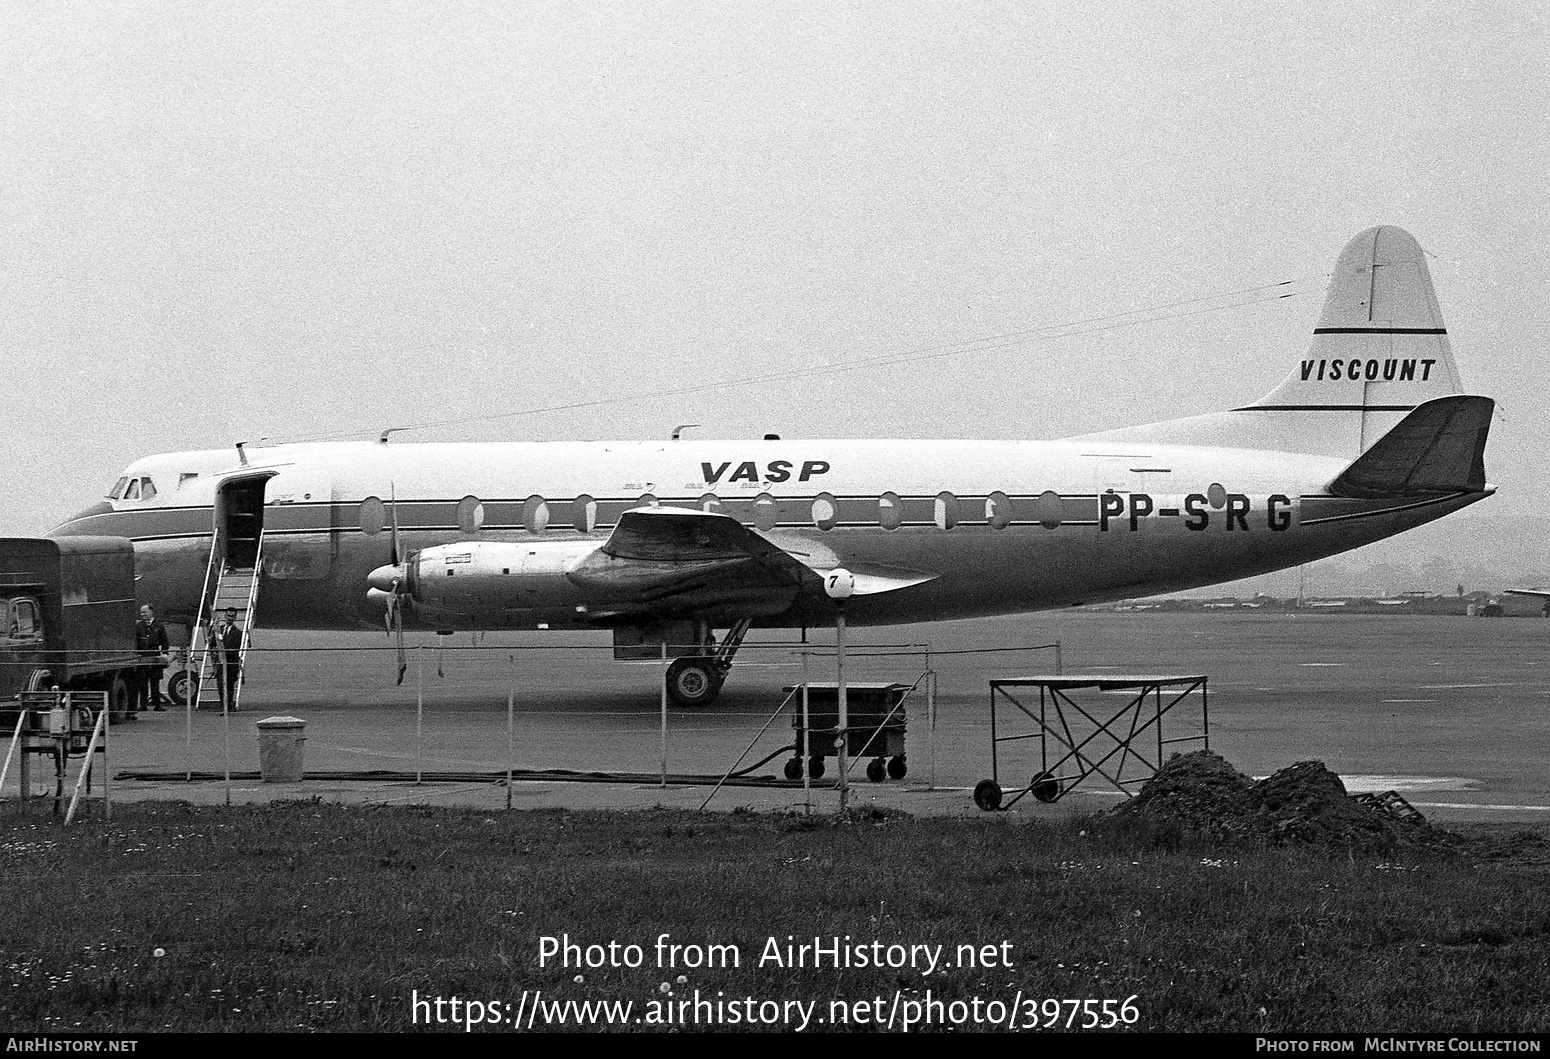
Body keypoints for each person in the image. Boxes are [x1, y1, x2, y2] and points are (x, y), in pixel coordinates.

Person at [133, 604, 171, 714]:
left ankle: (157, 704)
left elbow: (164, 640)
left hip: (154, 655)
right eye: (141, 613)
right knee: (142, 682)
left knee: (155, 681)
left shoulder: (159, 626)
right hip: (142, 656)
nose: (142, 614)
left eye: (144, 612)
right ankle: (143, 704)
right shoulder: (139, 626)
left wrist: (165, 653)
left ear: (151, 612)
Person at [215, 608, 245, 711]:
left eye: (232, 616)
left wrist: (222, 652)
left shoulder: (237, 633)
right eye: (228, 616)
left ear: (235, 618)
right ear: (225, 616)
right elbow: (213, 644)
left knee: (229, 685)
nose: (230, 618)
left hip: (231, 664)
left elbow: (235, 648)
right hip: (220, 663)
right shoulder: (219, 629)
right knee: (220, 684)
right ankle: (222, 704)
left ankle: (228, 705)